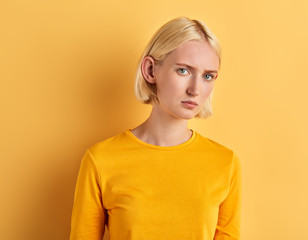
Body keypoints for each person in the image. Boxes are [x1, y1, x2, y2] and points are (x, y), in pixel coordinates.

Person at [70, 17, 241, 240]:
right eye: (183, 71)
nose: (195, 89)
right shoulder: (100, 160)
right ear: (150, 70)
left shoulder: (225, 163)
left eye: (208, 76)